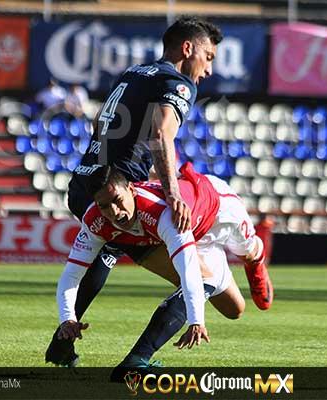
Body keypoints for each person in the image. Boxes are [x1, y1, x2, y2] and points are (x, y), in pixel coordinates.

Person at [46, 17, 224, 367]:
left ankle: (62, 342)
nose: (208, 69)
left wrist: (112, 160)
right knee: (206, 280)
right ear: (187, 48)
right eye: (208, 57)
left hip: (86, 182)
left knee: (104, 251)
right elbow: (161, 134)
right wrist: (173, 194)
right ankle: (138, 360)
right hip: (121, 193)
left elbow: (99, 120)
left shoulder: (134, 73)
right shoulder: (178, 83)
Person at [55, 162, 273, 368]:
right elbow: (71, 275)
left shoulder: (163, 213)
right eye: (104, 206)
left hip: (217, 209)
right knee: (234, 309)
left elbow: (188, 272)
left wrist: (196, 321)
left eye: (117, 200)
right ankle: (136, 361)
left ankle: (256, 264)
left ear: (131, 189)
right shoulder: (95, 221)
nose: (114, 211)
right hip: (191, 236)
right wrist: (67, 319)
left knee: (248, 252)